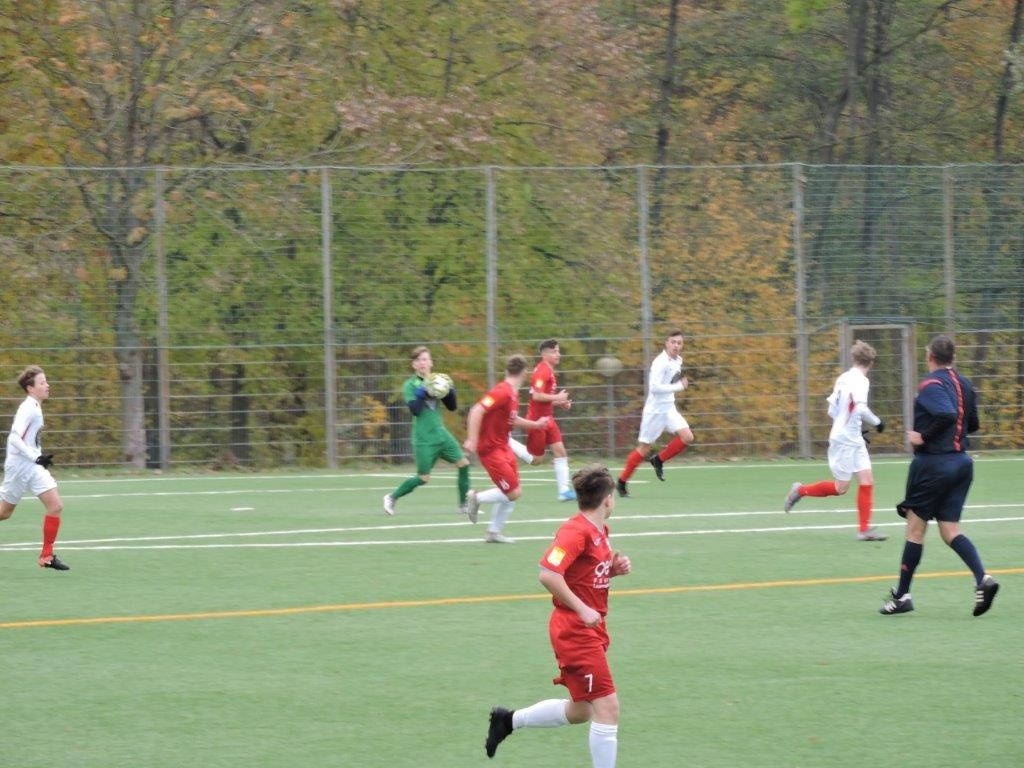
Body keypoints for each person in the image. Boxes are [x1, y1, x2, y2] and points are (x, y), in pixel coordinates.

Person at [484, 464, 631, 767]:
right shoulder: (575, 532)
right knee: (608, 707)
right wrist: (582, 608)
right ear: (608, 499)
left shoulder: (600, 531)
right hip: (575, 630)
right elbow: (548, 573)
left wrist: (611, 572)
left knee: (581, 711)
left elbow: (583, 576)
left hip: (590, 628)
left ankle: (508, 720)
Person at [880, 334, 999, 616]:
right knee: (950, 530)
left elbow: (946, 414)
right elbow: (972, 423)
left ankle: (902, 596)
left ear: (929, 356)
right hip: (961, 464)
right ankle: (983, 579)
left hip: (934, 465)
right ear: (953, 358)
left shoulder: (931, 384)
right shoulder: (965, 384)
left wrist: (923, 436)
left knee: (915, 529)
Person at [783, 340, 888, 541]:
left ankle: (864, 530)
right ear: (871, 363)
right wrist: (878, 423)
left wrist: (851, 427)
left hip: (851, 437)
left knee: (867, 480)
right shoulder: (862, 381)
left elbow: (832, 410)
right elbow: (859, 407)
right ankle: (800, 491)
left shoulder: (843, 378)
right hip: (845, 440)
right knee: (841, 488)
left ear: (853, 358)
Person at [463, 354, 549, 543]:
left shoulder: (512, 393)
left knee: (512, 491)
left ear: (507, 371)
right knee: (513, 492)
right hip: (491, 449)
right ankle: (476, 498)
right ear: (524, 373)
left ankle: (493, 533)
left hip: (503, 446)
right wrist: (472, 439)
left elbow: (512, 419)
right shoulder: (502, 391)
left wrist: (535, 425)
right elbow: (477, 410)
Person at [383, 346, 471, 518]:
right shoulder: (410, 385)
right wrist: (422, 392)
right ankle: (391, 497)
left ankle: (463, 505)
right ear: (414, 365)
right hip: (424, 438)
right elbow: (415, 410)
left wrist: (450, 393)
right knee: (423, 478)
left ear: (431, 362)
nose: (422, 363)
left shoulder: (438, 380)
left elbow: (452, 408)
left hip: (441, 435)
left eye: (425, 359)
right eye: (418, 360)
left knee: (464, 464)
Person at [0, 365, 69, 570]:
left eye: (46, 381)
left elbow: (29, 440)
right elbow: (14, 438)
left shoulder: (35, 407)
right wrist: (35, 456)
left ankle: (46, 556)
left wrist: (37, 457)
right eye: (42, 382)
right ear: (31, 388)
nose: (47, 385)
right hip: (19, 467)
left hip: (32, 466)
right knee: (4, 513)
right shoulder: (28, 408)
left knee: (55, 506)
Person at [616, 330, 692, 497]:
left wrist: (676, 387)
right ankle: (621, 482)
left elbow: (668, 382)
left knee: (687, 437)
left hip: (669, 408)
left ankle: (658, 460)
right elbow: (655, 388)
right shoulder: (660, 362)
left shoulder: (678, 360)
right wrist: (679, 386)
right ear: (666, 343)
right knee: (644, 448)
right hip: (655, 411)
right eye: (673, 342)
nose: (676, 345)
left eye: (679, 343)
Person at [525, 339, 576, 501]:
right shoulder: (542, 371)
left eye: (558, 351)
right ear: (544, 354)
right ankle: (508, 442)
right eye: (554, 351)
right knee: (536, 460)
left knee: (560, 452)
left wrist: (560, 402)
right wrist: (557, 397)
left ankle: (563, 491)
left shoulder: (548, 370)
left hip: (548, 419)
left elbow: (543, 399)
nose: (558, 354)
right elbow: (536, 396)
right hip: (537, 421)